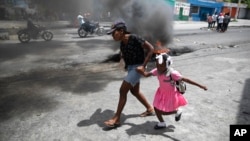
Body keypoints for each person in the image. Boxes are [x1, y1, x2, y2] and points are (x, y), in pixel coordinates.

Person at [104, 21, 155, 127]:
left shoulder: (135, 38)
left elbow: (151, 48)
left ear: (121, 31)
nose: (113, 36)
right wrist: (122, 60)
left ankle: (117, 118)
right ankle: (150, 109)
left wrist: (143, 66)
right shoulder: (122, 43)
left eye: (114, 33)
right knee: (135, 91)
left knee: (122, 90)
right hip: (131, 68)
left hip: (137, 68)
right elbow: (123, 53)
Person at [137, 53, 207, 129]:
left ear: (167, 64)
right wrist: (141, 71)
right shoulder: (157, 71)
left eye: (161, 65)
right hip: (161, 93)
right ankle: (162, 123)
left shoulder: (172, 73)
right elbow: (147, 75)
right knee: (156, 108)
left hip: (171, 95)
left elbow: (186, 79)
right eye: (157, 65)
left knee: (163, 112)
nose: (159, 67)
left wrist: (200, 86)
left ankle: (177, 111)